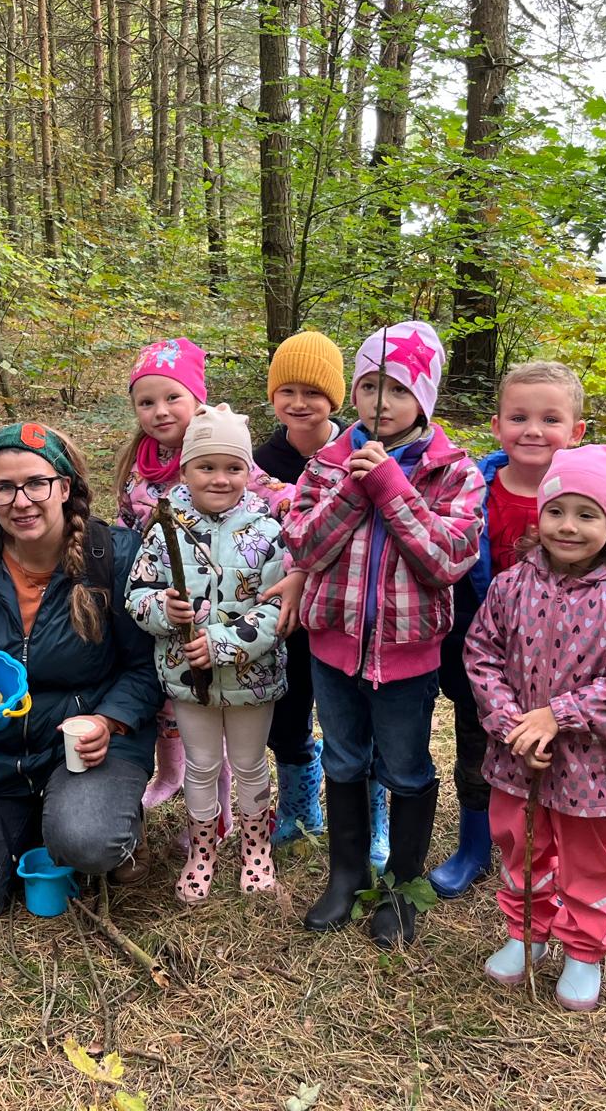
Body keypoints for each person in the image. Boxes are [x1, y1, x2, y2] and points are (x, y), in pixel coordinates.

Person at [282, 321, 485, 949]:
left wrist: (392, 489)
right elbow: (303, 545)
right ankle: (346, 875)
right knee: (343, 756)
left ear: (424, 399)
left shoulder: (455, 473)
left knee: (406, 765)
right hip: (332, 647)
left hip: (407, 656)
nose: (381, 402)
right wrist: (352, 487)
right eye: (370, 385)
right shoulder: (327, 464)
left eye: (398, 388)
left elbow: (448, 560)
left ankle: (401, 887)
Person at [0, 422, 163, 925]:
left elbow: (147, 667)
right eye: (4, 487)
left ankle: (103, 823)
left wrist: (109, 722)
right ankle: (35, 815)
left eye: (35, 483)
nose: (20, 501)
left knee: (87, 841)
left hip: (86, 743)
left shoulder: (110, 555)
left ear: (64, 487)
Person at [465, 445, 606, 1011]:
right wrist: (510, 724)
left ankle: (584, 948)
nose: (568, 526)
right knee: (519, 842)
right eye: (557, 511)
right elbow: (482, 654)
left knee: (586, 856)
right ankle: (527, 933)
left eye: (587, 514)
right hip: (515, 754)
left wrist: (559, 716)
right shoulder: (510, 586)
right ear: (540, 514)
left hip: (591, 762)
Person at [114, 337, 289, 831]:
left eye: (172, 397)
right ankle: (175, 776)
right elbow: (129, 533)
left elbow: (273, 493)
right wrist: (149, 595)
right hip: (171, 616)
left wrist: (297, 508)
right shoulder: (139, 470)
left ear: (197, 398)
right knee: (177, 706)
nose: (160, 411)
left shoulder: (226, 451)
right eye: (146, 402)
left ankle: (228, 812)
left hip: (232, 623)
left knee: (222, 711)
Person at [430, 361, 588, 898]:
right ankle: (475, 844)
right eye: (518, 417)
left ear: (576, 432)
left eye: (550, 419)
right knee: (479, 744)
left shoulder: (588, 501)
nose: (533, 430)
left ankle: (554, 848)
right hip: (482, 652)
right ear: (497, 425)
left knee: (554, 750)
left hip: (559, 657)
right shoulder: (469, 488)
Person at [252, 329, 347, 852]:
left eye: (312, 392)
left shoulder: (356, 452)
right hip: (279, 613)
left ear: (334, 397)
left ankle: (362, 812)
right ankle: (298, 805)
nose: (299, 403)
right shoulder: (259, 462)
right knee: (286, 715)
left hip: (338, 611)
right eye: (287, 391)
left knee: (345, 718)